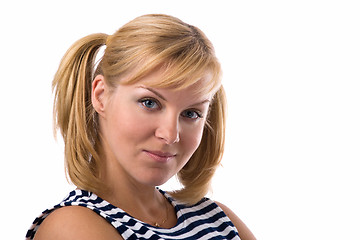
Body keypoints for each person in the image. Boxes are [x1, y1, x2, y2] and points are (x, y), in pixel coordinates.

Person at [26, 14, 256, 240]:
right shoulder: (73, 226)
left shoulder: (219, 219)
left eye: (190, 113)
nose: (170, 135)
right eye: (150, 103)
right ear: (101, 96)